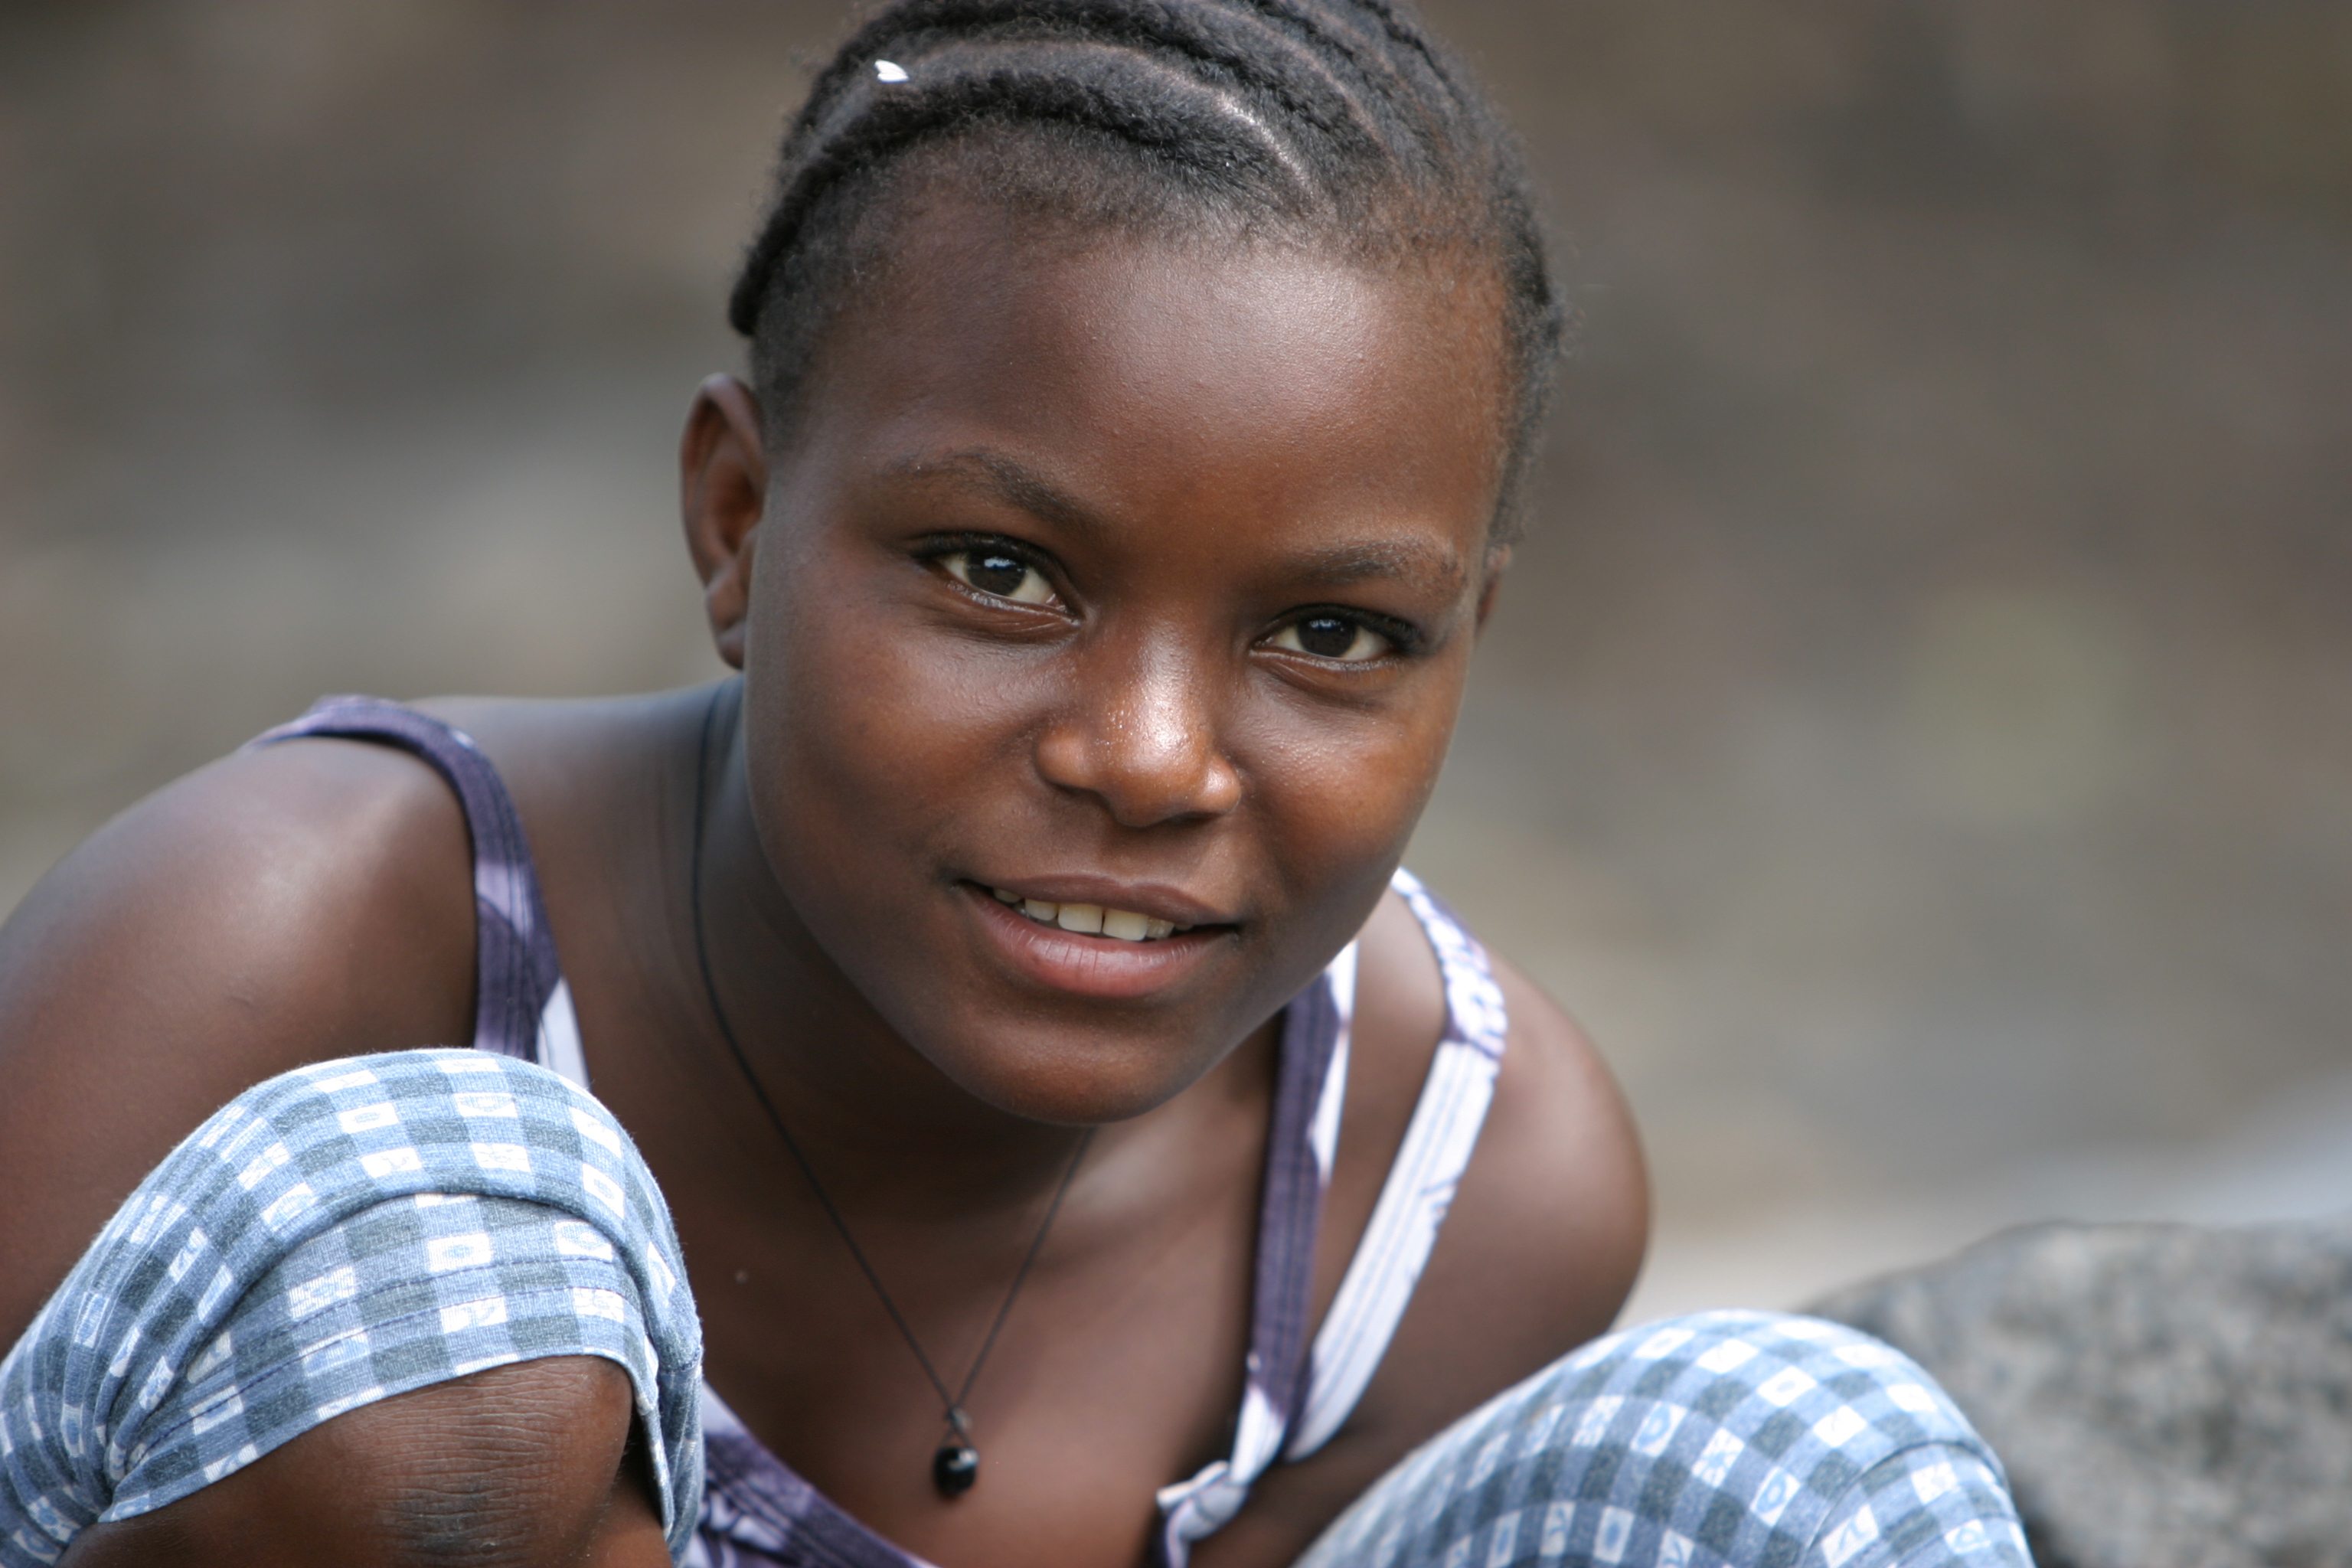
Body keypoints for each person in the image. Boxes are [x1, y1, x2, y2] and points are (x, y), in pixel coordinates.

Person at [0, 2, 2033, 1564]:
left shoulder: (1451, 1187)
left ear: (1466, 637)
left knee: (1796, 1466)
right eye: (999, 573)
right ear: (738, 518)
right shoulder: (277, 955)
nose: (1149, 762)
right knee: (458, 1286)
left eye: (1334, 633)